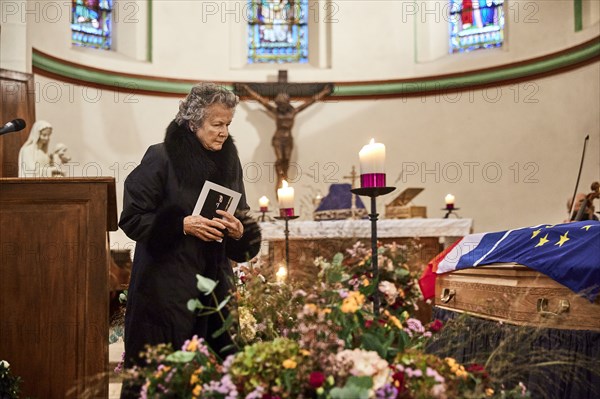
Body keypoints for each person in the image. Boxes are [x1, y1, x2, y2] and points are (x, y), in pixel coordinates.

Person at [119, 83, 261, 396]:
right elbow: (131, 218)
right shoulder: (161, 156)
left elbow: (244, 220)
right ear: (193, 123)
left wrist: (241, 231)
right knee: (161, 382)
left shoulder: (230, 163)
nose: (224, 132)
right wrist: (182, 224)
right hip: (164, 293)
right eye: (217, 124)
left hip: (214, 292)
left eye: (228, 125)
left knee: (213, 380)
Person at [239, 83, 333, 191]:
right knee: (279, 161)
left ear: (286, 101)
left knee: (286, 161)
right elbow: (260, 100)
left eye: (281, 102)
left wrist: (324, 92)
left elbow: (310, 102)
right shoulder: (275, 110)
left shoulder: (293, 111)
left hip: (288, 139)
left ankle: (284, 181)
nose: (279, 104)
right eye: (278, 102)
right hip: (278, 139)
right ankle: (280, 179)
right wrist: (246, 89)